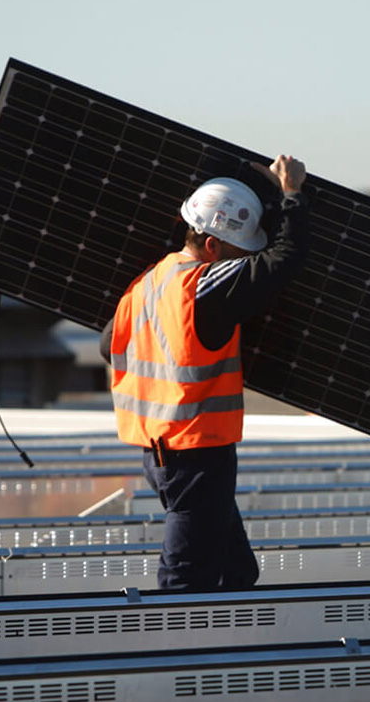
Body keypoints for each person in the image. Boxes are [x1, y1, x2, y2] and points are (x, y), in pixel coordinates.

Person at [99, 154, 309, 591]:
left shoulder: (147, 284)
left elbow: (107, 346)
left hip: (158, 452)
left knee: (236, 572)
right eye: (237, 252)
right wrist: (291, 194)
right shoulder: (204, 284)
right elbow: (284, 261)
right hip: (196, 453)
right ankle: (174, 653)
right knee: (185, 582)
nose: (241, 262)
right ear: (212, 246)